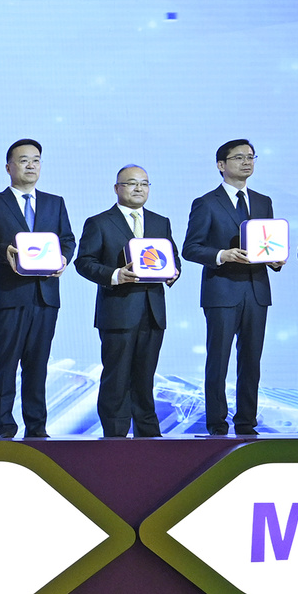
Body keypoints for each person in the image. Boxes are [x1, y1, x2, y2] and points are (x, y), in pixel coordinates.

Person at [0, 139, 74, 439]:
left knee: (38, 365)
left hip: (45, 296)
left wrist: (64, 258)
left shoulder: (55, 203)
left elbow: (67, 240)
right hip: (8, 296)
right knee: (6, 364)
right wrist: (4, 251)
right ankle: (3, 427)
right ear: (8, 167)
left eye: (36, 160)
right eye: (24, 160)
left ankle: (37, 428)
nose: (31, 165)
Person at [183, 139, 282, 437]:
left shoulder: (263, 201)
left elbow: (267, 242)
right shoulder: (206, 202)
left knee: (251, 360)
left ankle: (246, 423)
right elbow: (191, 248)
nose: (247, 162)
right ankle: (216, 424)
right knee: (219, 360)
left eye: (250, 157)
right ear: (221, 165)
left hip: (257, 290)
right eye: (239, 157)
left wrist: (275, 259)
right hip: (222, 290)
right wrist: (221, 255)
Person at [76, 165, 178, 437]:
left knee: (145, 376)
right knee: (117, 377)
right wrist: (115, 275)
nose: (139, 188)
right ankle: (115, 435)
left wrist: (173, 272)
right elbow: (84, 262)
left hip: (153, 311)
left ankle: (148, 434)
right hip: (117, 311)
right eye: (132, 183)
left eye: (144, 183)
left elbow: (173, 258)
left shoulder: (161, 222)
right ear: (117, 188)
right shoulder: (99, 222)